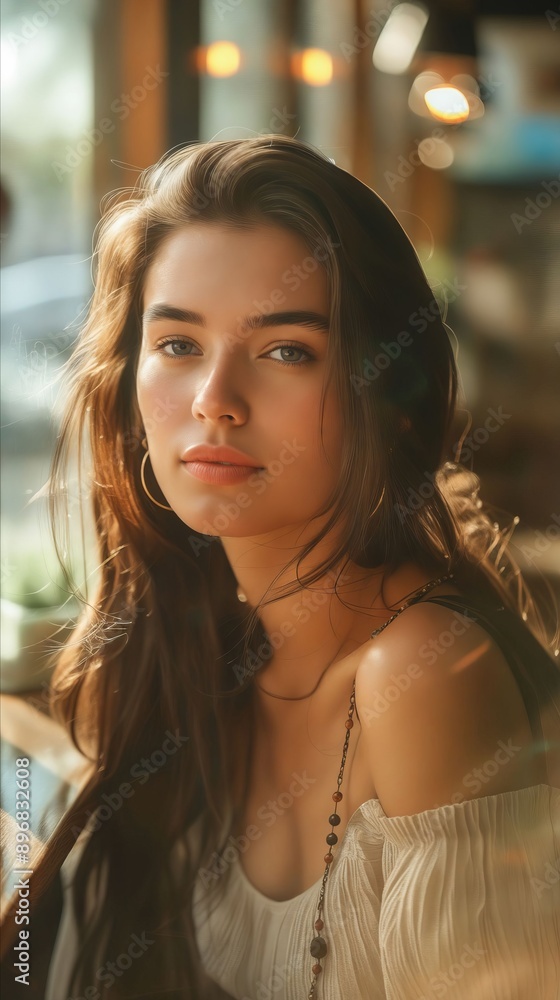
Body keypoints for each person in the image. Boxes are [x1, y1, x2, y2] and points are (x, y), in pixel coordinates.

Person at [1, 135, 559, 999]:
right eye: (178, 343)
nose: (214, 399)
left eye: (286, 350)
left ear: (390, 396)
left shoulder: (422, 671)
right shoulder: (199, 646)